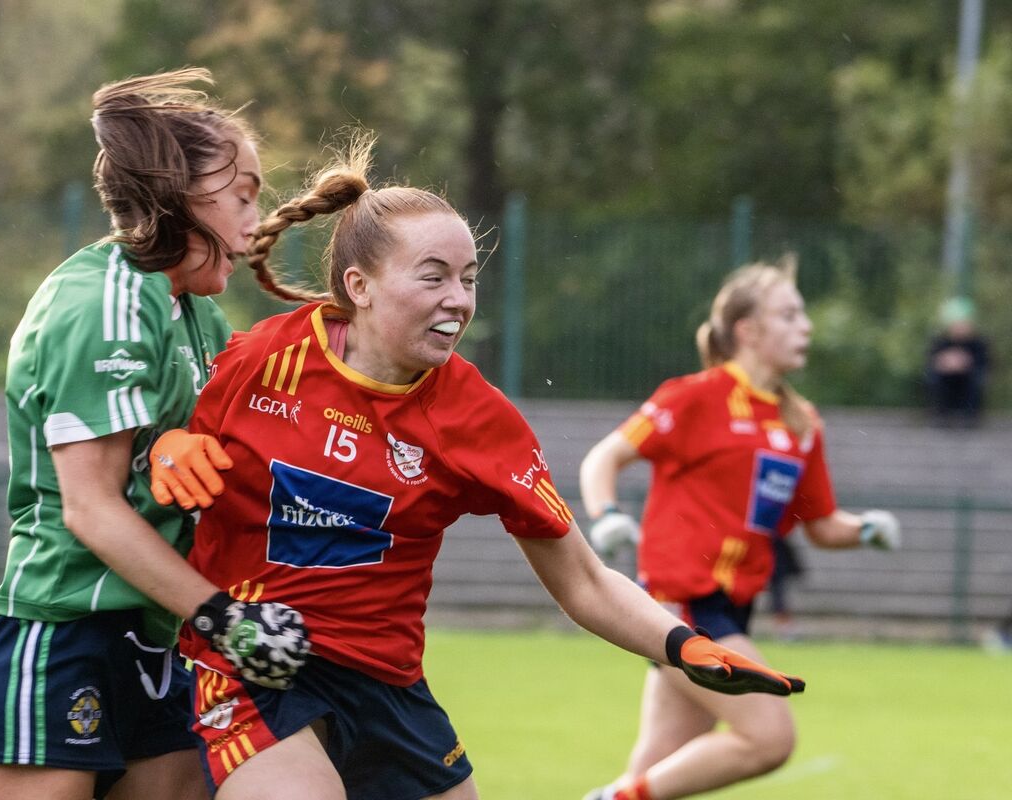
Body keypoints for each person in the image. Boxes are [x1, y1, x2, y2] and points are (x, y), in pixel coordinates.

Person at [149, 135, 805, 800]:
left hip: (388, 687)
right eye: (433, 277)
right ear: (360, 287)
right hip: (255, 663)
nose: (458, 300)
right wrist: (165, 444)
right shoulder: (263, 360)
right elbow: (129, 461)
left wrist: (682, 646)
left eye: (468, 280)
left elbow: (582, 581)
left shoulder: (478, 420)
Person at [0, 68, 310, 800]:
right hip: (62, 635)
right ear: (178, 195)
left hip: (155, 634)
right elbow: (91, 508)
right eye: (242, 195)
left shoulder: (196, 314)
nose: (256, 219)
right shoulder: (106, 304)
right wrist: (223, 615)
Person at [578, 258, 902, 800]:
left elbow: (821, 526)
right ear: (747, 330)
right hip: (682, 604)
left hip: (733, 606)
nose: (807, 326)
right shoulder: (695, 396)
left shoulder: (800, 423)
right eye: (790, 315)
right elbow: (604, 458)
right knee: (769, 738)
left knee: (655, 769)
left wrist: (868, 529)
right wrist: (607, 513)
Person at [925, 296, 989, 428]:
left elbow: (984, 365)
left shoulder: (978, 344)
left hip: (968, 382)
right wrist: (945, 364)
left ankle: (969, 416)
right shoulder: (940, 342)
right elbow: (931, 364)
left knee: (976, 379)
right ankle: (940, 414)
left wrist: (965, 364)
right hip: (947, 382)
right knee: (934, 379)